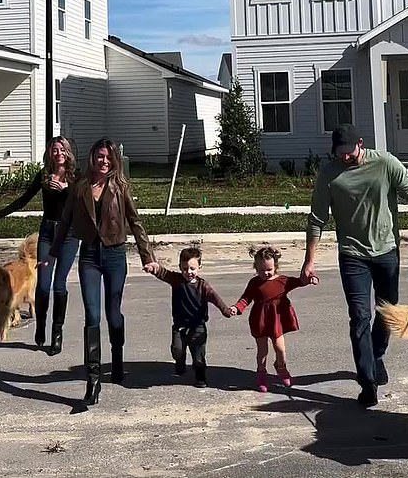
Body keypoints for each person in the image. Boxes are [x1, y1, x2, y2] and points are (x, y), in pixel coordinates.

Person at [301, 123, 408, 408]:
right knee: (360, 316)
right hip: (352, 255)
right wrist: (309, 261)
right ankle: (368, 382)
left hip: (387, 250)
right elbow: (316, 219)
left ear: (360, 144)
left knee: (387, 312)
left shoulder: (385, 163)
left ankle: (376, 356)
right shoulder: (329, 173)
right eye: (340, 153)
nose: (345, 158)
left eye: (349, 152)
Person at [50, 137, 155, 405]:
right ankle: (93, 379)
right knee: (92, 316)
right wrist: (53, 253)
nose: (104, 161)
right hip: (89, 257)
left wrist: (147, 256)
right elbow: (65, 222)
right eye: (100, 156)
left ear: (114, 160)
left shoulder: (120, 188)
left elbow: (135, 222)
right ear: (92, 158)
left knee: (113, 314)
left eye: (108, 157)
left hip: (115, 255)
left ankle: (117, 356)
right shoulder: (80, 187)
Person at [0, 136, 79, 355]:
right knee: (44, 285)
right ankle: (41, 324)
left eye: (62, 150)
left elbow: (79, 204)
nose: (58, 154)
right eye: (54, 150)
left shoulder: (76, 177)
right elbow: (22, 201)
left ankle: (57, 334)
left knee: (59, 285)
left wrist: (65, 188)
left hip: (68, 235)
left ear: (68, 153)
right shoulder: (44, 176)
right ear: (50, 153)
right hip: (48, 232)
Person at [229, 246, 318, 392]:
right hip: (260, 320)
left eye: (269, 269)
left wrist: (311, 278)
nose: (266, 273)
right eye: (261, 270)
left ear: (275, 266)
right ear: (256, 267)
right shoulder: (254, 283)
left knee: (280, 349)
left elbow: (300, 281)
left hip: (277, 320)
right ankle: (261, 374)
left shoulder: (283, 281)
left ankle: (280, 367)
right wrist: (237, 308)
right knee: (262, 351)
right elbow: (245, 299)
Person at [143, 247, 231, 388]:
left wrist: (225, 310)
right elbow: (163, 273)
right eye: (185, 268)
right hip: (179, 326)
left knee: (198, 356)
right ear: (180, 267)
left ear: (199, 267)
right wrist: (154, 268)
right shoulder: (177, 280)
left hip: (198, 327)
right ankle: (180, 361)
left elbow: (215, 298)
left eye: (192, 268)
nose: (188, 272)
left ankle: (200, 377)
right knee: (177, 350)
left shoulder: (203, 286)